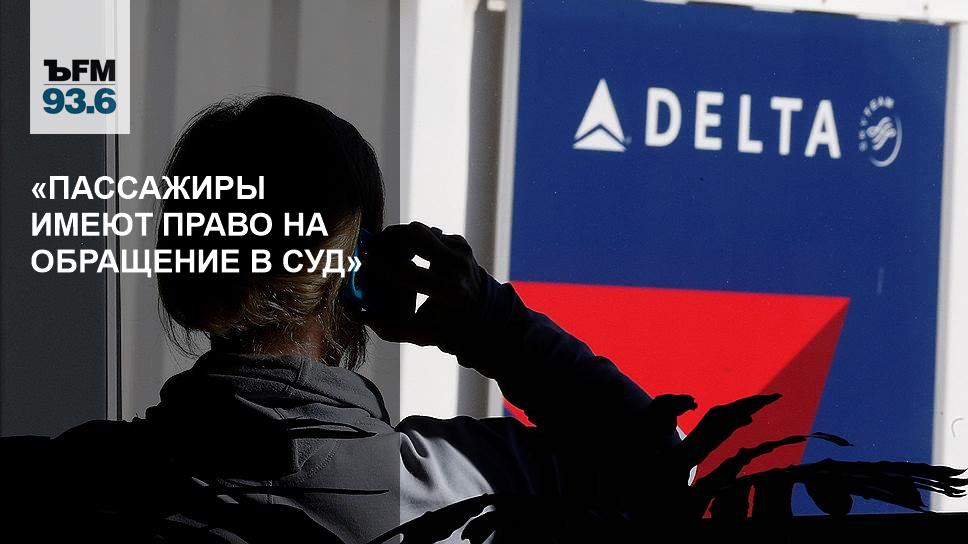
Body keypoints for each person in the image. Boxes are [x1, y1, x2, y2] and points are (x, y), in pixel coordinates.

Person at [0, 95, 682, 543]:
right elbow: (663, 467)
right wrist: (488, 322)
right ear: (358, 270)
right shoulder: (456, 492)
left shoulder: (63, 483)